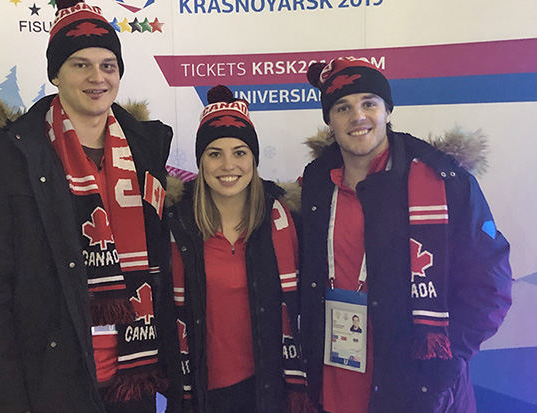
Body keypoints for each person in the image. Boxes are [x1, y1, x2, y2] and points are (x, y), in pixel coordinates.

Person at [0, 1, 179, 412]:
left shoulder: (145, 152)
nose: (98, 78)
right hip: (50, 387)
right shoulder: (6, 160)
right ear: (55, 73)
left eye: (108, 65)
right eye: (81, 65)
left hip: (133, 383)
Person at [299, 57, 512, 412]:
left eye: (369, 102)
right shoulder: (317, 182)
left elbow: (491, 289)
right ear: (329, 120)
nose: (358, 116)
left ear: (387, 109)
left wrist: (444, 362)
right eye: (342, 107)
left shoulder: (444, 181)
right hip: (336, 379)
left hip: (418, 388)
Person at [165, 85, 313, 413]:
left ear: (254, 159)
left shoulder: (284, 221)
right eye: (215, 153)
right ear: (201, 161)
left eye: (240, 152)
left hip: (267, 389)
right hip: (201, 391)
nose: (228, 165)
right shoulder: (177, 226)